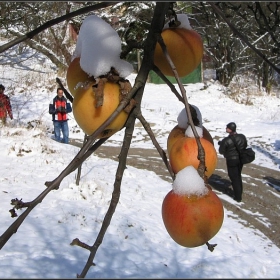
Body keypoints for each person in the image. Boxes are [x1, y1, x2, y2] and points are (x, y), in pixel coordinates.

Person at [218, 122, 247, 202]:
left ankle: (238, 197)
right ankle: (239, 192)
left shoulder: (226, 140)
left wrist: (222, 144)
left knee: (234, 178)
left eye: (227, 127)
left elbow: (221, 151)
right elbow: (244, 145)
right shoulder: (242, 137)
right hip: (240, 160)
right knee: (238, 176)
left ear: (230, 129)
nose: (226, 129)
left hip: (231, 161)